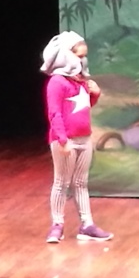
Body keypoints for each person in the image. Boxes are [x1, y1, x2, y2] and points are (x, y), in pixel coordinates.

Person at [40, 31, 113, 243]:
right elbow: (54, 113)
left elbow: (82, 109)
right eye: (78, 56)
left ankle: (87, 225)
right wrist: (62, 140)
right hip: (65, 141)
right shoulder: (57, 82)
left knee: (81, 182)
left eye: (83, 57)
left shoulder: (80, 81)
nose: (82, 60)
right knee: (61, 182)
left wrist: (95, 94)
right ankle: (57, 225)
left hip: (84, 139)